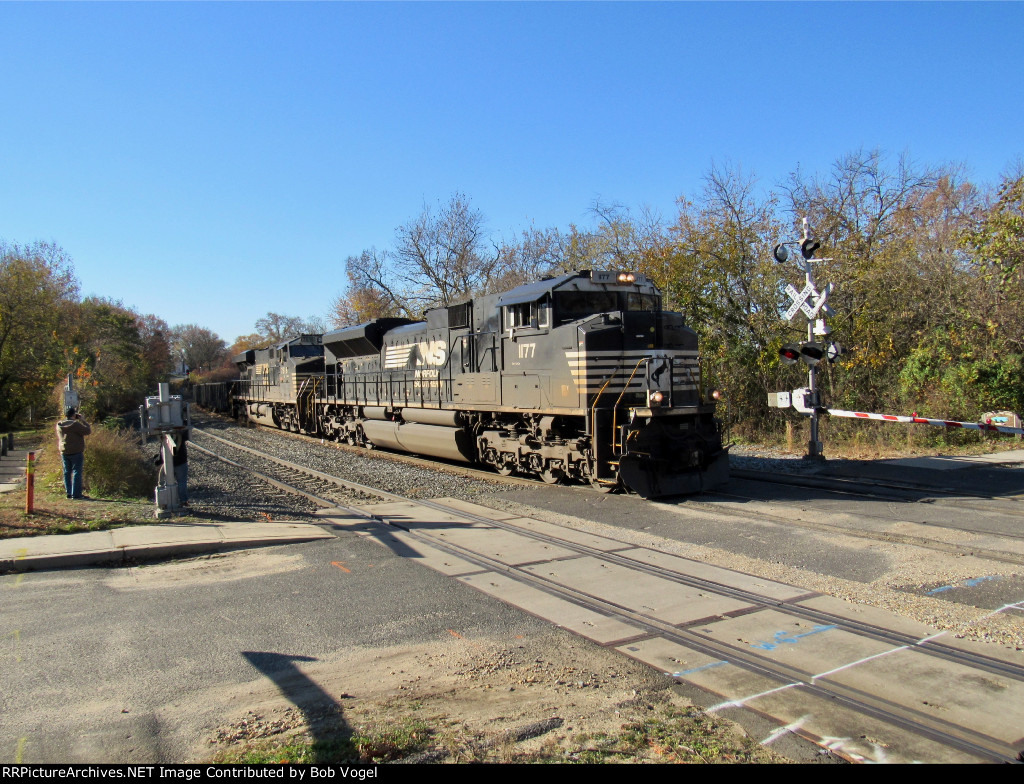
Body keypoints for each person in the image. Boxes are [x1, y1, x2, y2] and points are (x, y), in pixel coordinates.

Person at [56, 407, 91, 500]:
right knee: (77, 472)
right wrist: (83, 420)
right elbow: (88, 431)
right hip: (76, 451)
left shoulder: (59, 425)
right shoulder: (75, 424)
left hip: (64, 451)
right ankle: (76, 494)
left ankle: (69, 492)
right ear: (74, 415)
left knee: (67, 472)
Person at [155, 429, 189, 507]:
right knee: (182, 482)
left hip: (168, 464)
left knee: (167, 481)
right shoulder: (180, 436)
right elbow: (186, 434)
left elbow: (162, 451)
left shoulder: (165, 438)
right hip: (181, 462)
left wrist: (159, 461)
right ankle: (183, 501)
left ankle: (167, 501)